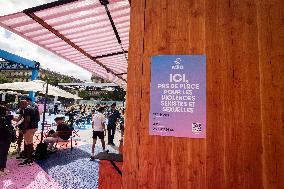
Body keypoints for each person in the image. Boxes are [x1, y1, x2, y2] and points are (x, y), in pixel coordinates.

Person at [18, 100, 38, 166]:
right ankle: (26, 156)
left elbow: (27, 120)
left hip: (29, 128)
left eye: (20, 105)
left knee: (29, 143)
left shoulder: (26, 109)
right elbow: (38, 119)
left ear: (24, 104)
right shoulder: (34, 108)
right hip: (34, 127)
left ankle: (29, 159)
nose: (20, 106)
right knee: (27, 142)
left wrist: (24, 128)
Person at [0, 105, 14, 176]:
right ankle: (2, 170)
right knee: (3, 154)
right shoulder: (6, 118)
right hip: (5, 138)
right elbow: (19, 120)